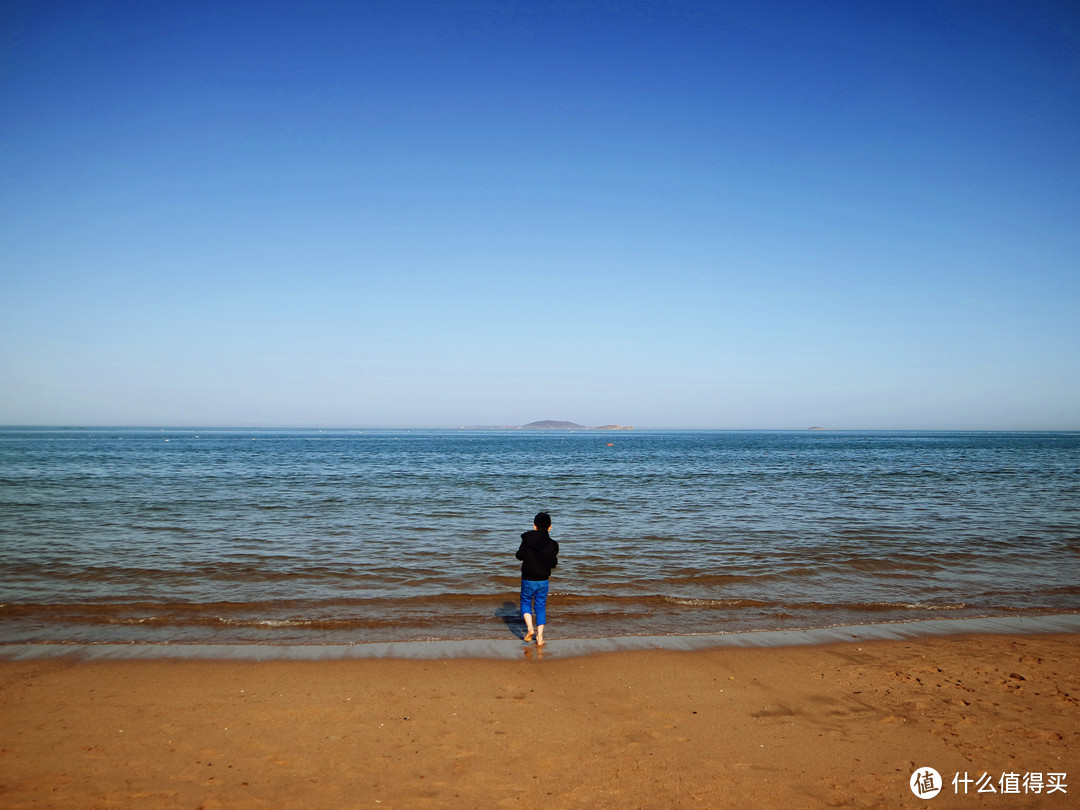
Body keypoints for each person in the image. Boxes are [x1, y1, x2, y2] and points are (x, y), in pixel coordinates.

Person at [516, 511, 559, 645]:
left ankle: (530, 628)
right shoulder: (553, 544)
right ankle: (540, 637)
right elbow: (553, 563)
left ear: (534, 526)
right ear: (550, 527)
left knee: (525, 602)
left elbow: (519, 556)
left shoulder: (527, 540)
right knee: (540, 606)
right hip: (543, 579)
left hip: (528, 578)